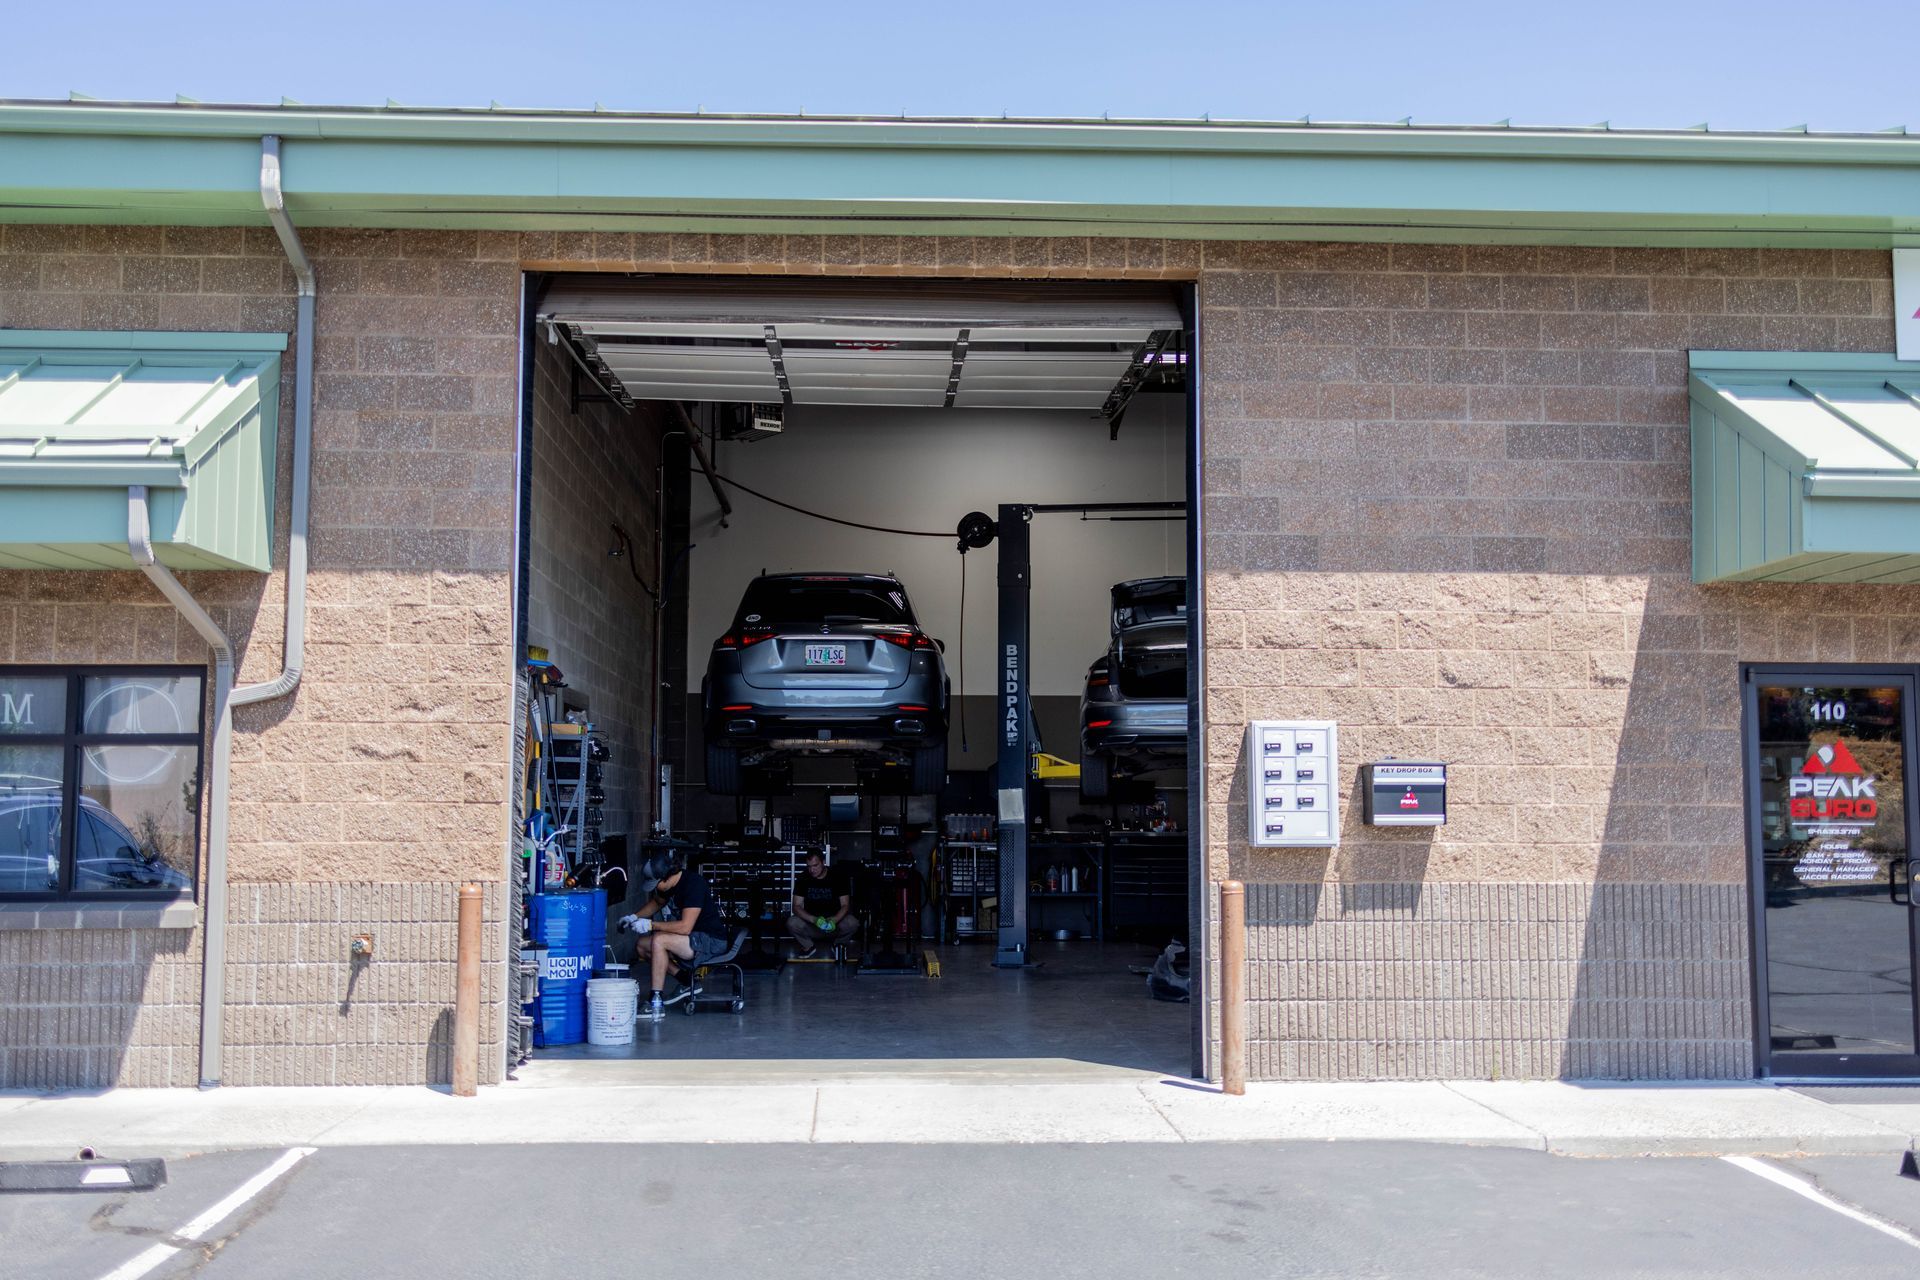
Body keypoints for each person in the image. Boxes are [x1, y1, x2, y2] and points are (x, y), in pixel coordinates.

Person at [619, 850, 732, 1022]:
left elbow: (685, 927)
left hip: (710, 940)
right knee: (642, 945)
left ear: (667, 876)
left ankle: (655, 1001)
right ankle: (687, 981)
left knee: (659, 939)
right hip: (693, 938)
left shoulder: (693, 884)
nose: (655, 888)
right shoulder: (670, 885)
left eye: (656, 883)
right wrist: (634, 917)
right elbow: (657, 902)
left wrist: (650, 924)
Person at [788, 851, 854, 959]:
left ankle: (838, 945)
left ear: (823, 862)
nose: (812, 870)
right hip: (812, 925)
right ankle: (808, 946)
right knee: (792, 922)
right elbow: (796, 906)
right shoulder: (803, 877)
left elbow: (845, 905)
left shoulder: (838, 876)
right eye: (809, 866)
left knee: (852, 923)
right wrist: (814, 919)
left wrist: (835, 920)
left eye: (815, 865)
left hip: (834, 925)